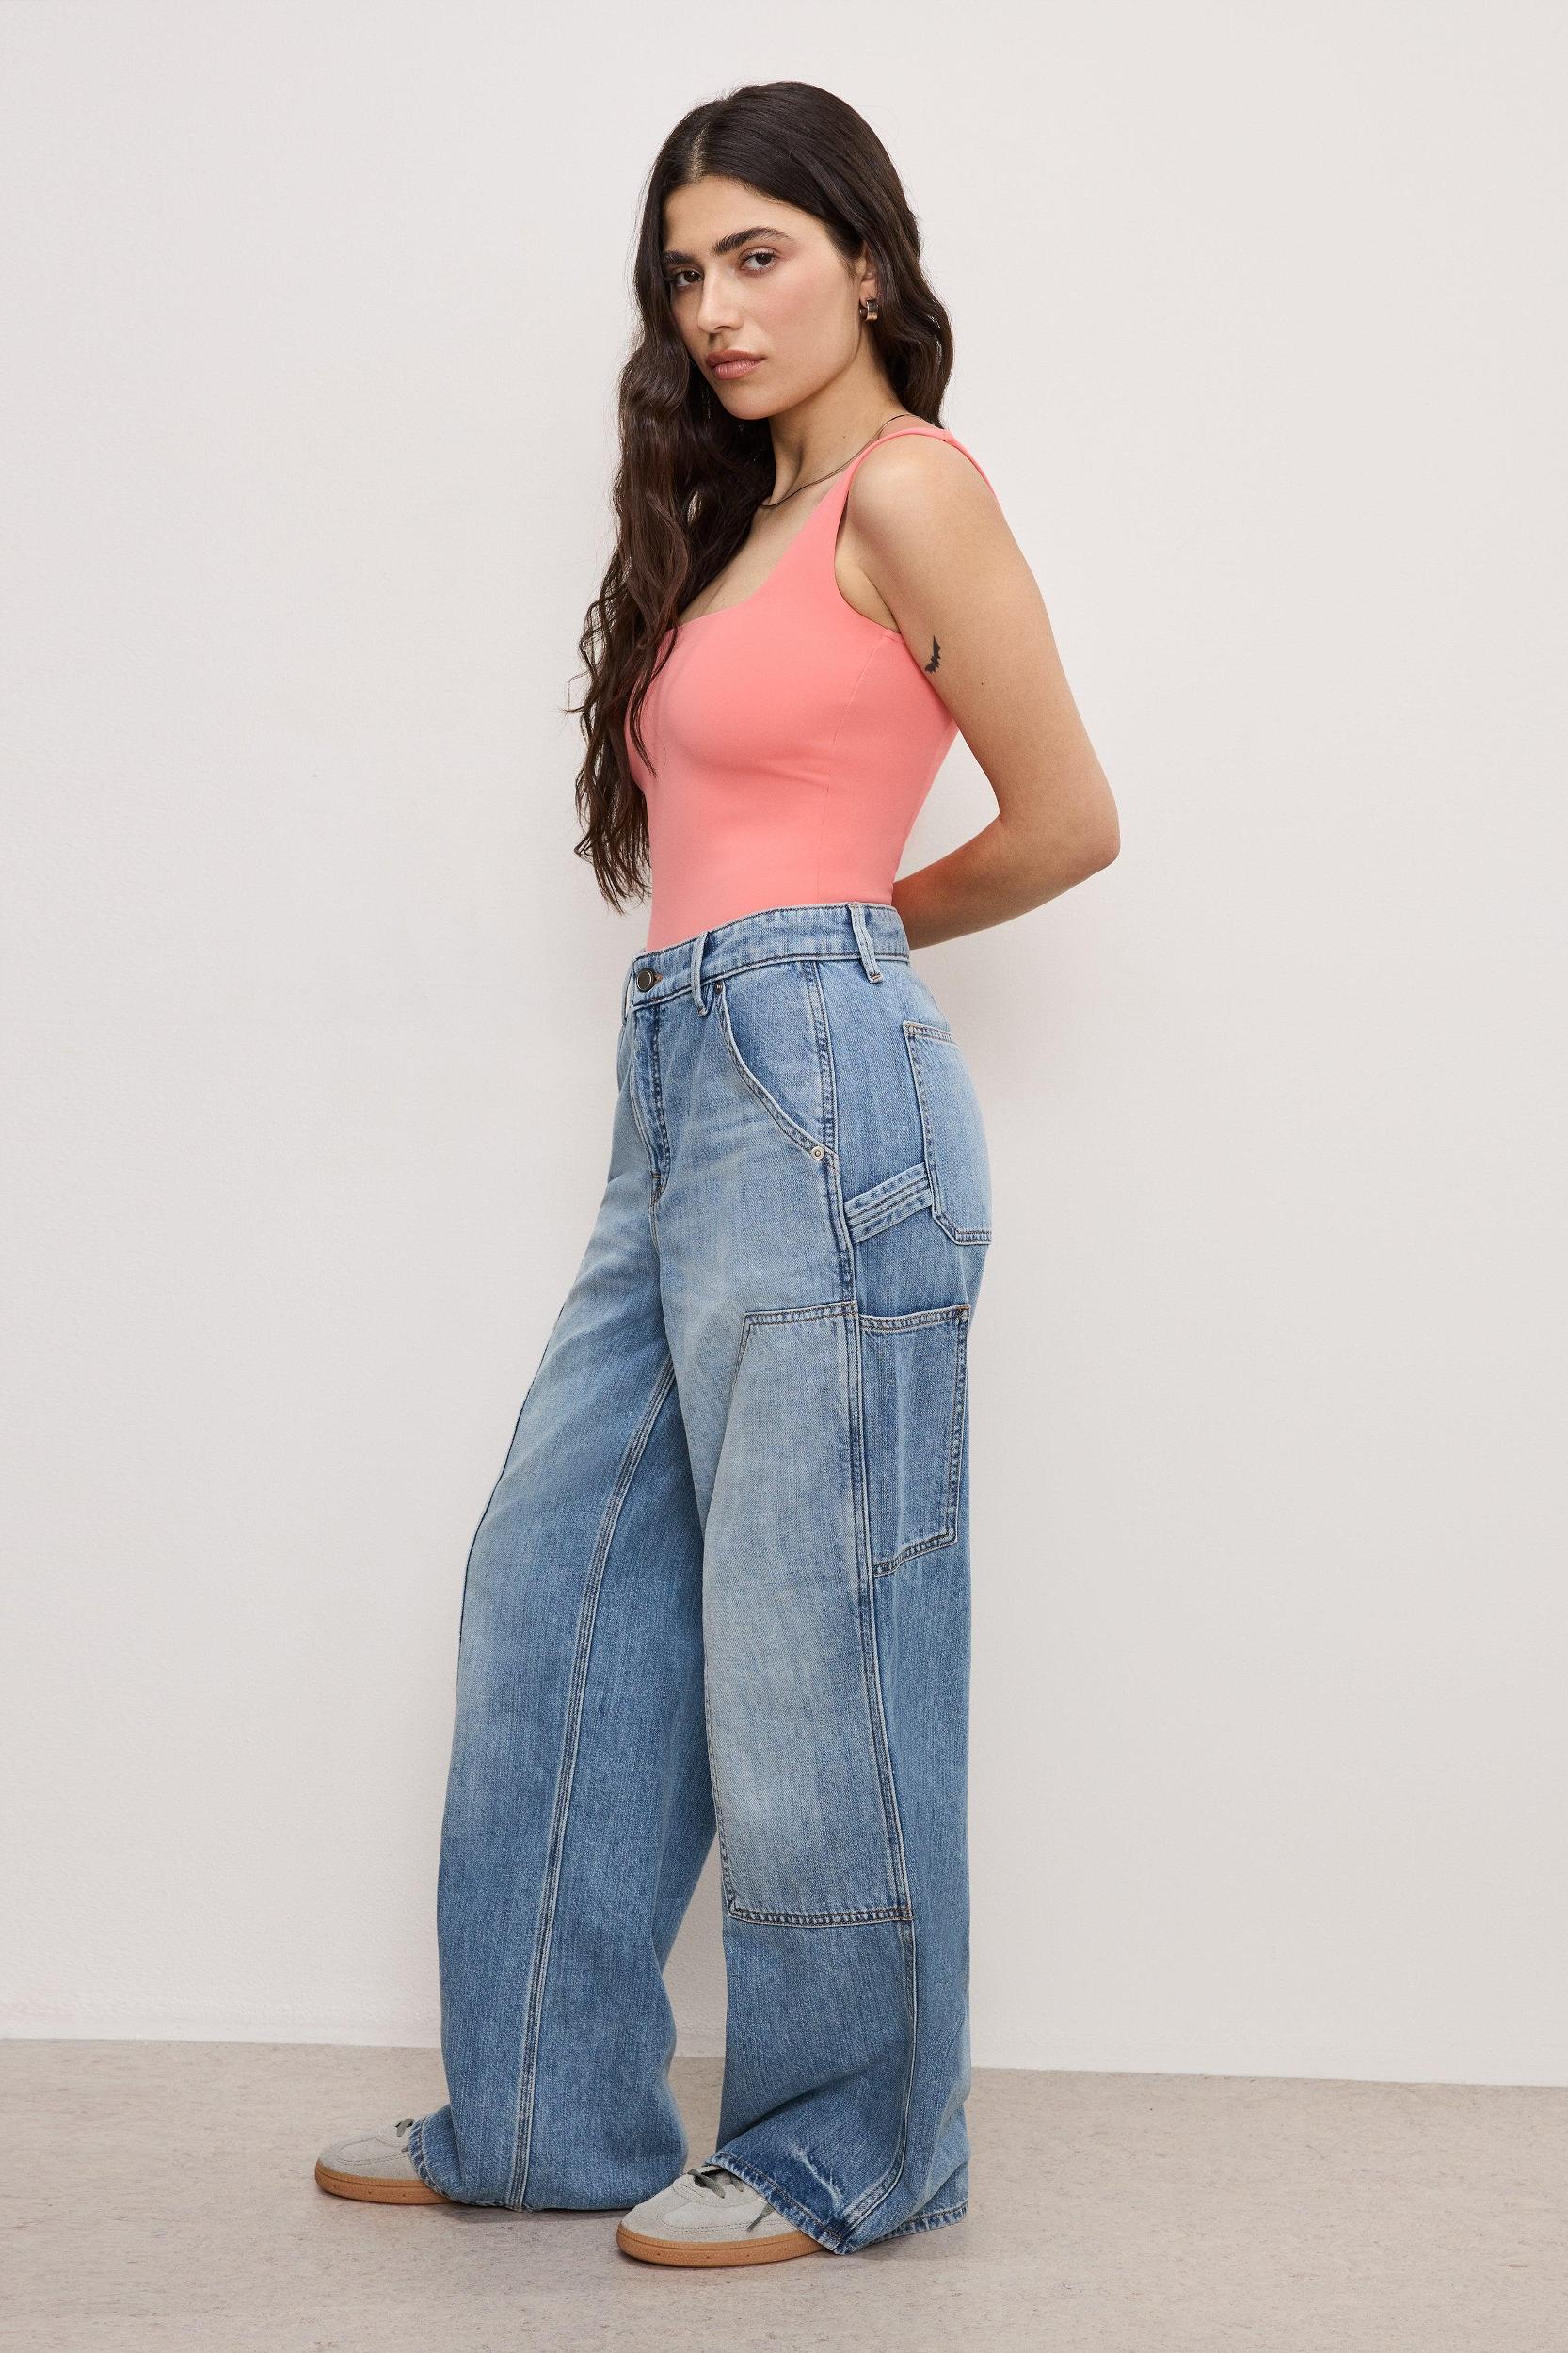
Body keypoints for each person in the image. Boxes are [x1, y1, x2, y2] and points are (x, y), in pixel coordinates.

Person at [313, 78, 1118, 2265]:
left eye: (758, 253)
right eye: (683, 272)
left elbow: (1066, 817)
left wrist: (840, 938)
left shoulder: (908, 487)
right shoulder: (738, 521)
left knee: (810, 1629)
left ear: (865, 257)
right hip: (676, 1080)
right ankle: (542, 2111)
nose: (716, 307)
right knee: (554, 1582)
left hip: (815, 1073)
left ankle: (851, 2140)